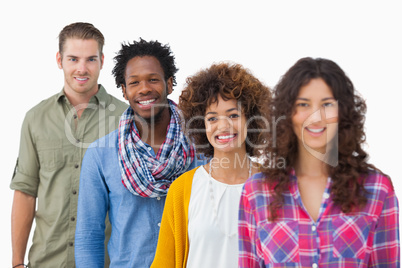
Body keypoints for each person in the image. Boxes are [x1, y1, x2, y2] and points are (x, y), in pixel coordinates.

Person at [238, 57, 400, 267]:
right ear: (287, 113)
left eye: (327, 104)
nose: (316, 117)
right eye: (303, 104)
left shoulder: (377, 189)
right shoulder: (256, 192)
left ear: (343, 113)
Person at [74, 38, 201, 267]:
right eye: (134, 82)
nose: (144, 89)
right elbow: (89, 235)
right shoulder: (100, 155)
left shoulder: (201, 147)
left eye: (153, 80)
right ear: (124, 91)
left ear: (170, 84)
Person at [10, 22, 128, 268]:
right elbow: (25, 192)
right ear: (59, 59)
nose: (82, 69)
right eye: (73, 59)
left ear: (102, 61)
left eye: (91, 59)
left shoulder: (125, 119)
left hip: (106, 261)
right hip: (47, 260)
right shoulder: (36, 118)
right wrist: (17, 262)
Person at [151, 62, 272, 268]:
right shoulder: (182, 190)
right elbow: (165, 263)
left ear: (250, 120)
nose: (223, 126)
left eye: (233, 115)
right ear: (202, 125)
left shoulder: (275, 187)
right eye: (212, 118)